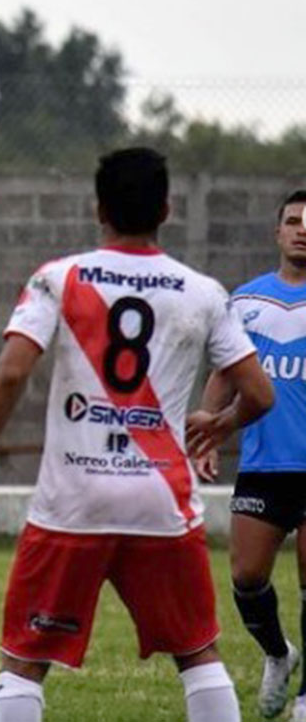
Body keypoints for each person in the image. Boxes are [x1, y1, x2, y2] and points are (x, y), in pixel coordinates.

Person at [0, 147, 274, 722]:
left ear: (98, 207)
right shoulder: (202, 291)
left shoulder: (60, 277)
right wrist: (217, 424)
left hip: (71, 502)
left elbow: (11, 371)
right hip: (160, 500)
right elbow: (259, 393)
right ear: (168, 209)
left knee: (25, 660)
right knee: (198, 653)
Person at [195, 189, 306, 719]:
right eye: (293, 220)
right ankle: (278, 654)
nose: (302, 229)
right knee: (246, 578)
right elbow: (225, 373)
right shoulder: (245, 302)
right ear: (277, 231)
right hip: (264, 465)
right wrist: (208, 431)